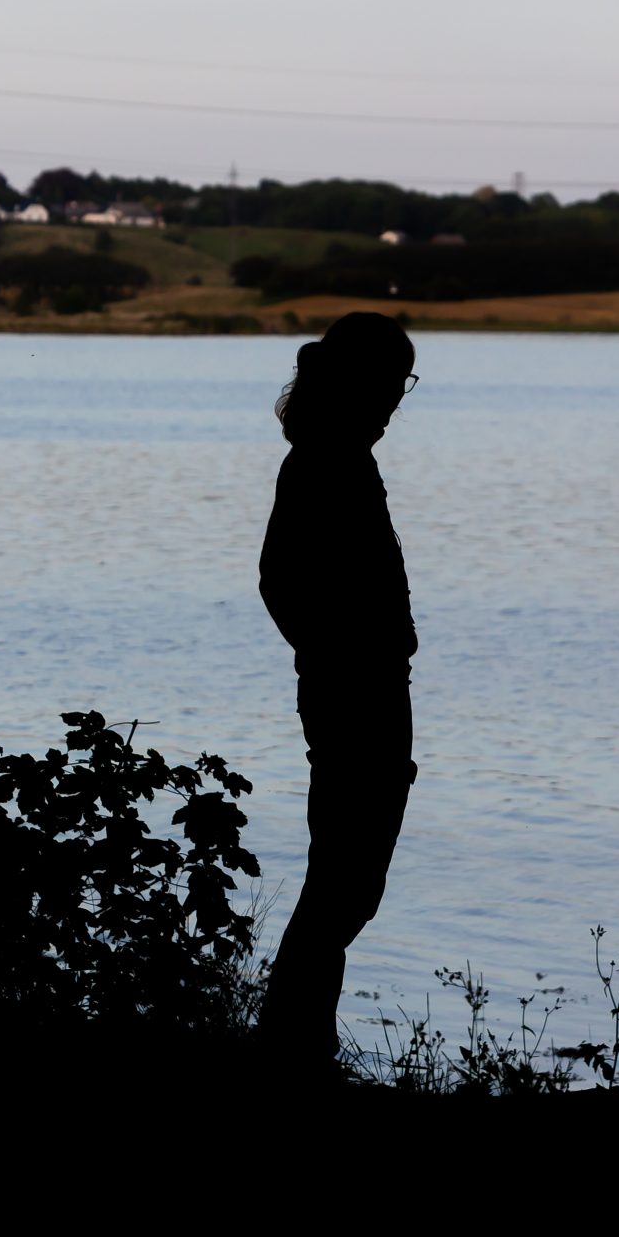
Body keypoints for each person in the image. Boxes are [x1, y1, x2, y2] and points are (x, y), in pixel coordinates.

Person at [254, 312, 420, 1069]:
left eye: (403, 385)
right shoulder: (328, 460)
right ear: (361, 382)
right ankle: (293, 1043)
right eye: (392, 383)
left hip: (364, 683)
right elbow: (279, 580)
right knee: (345, 880)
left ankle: (297, 1038)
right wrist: (336, 654)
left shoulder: (337, 454)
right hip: (356, 690)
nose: (396, 401)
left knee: (347, 877)